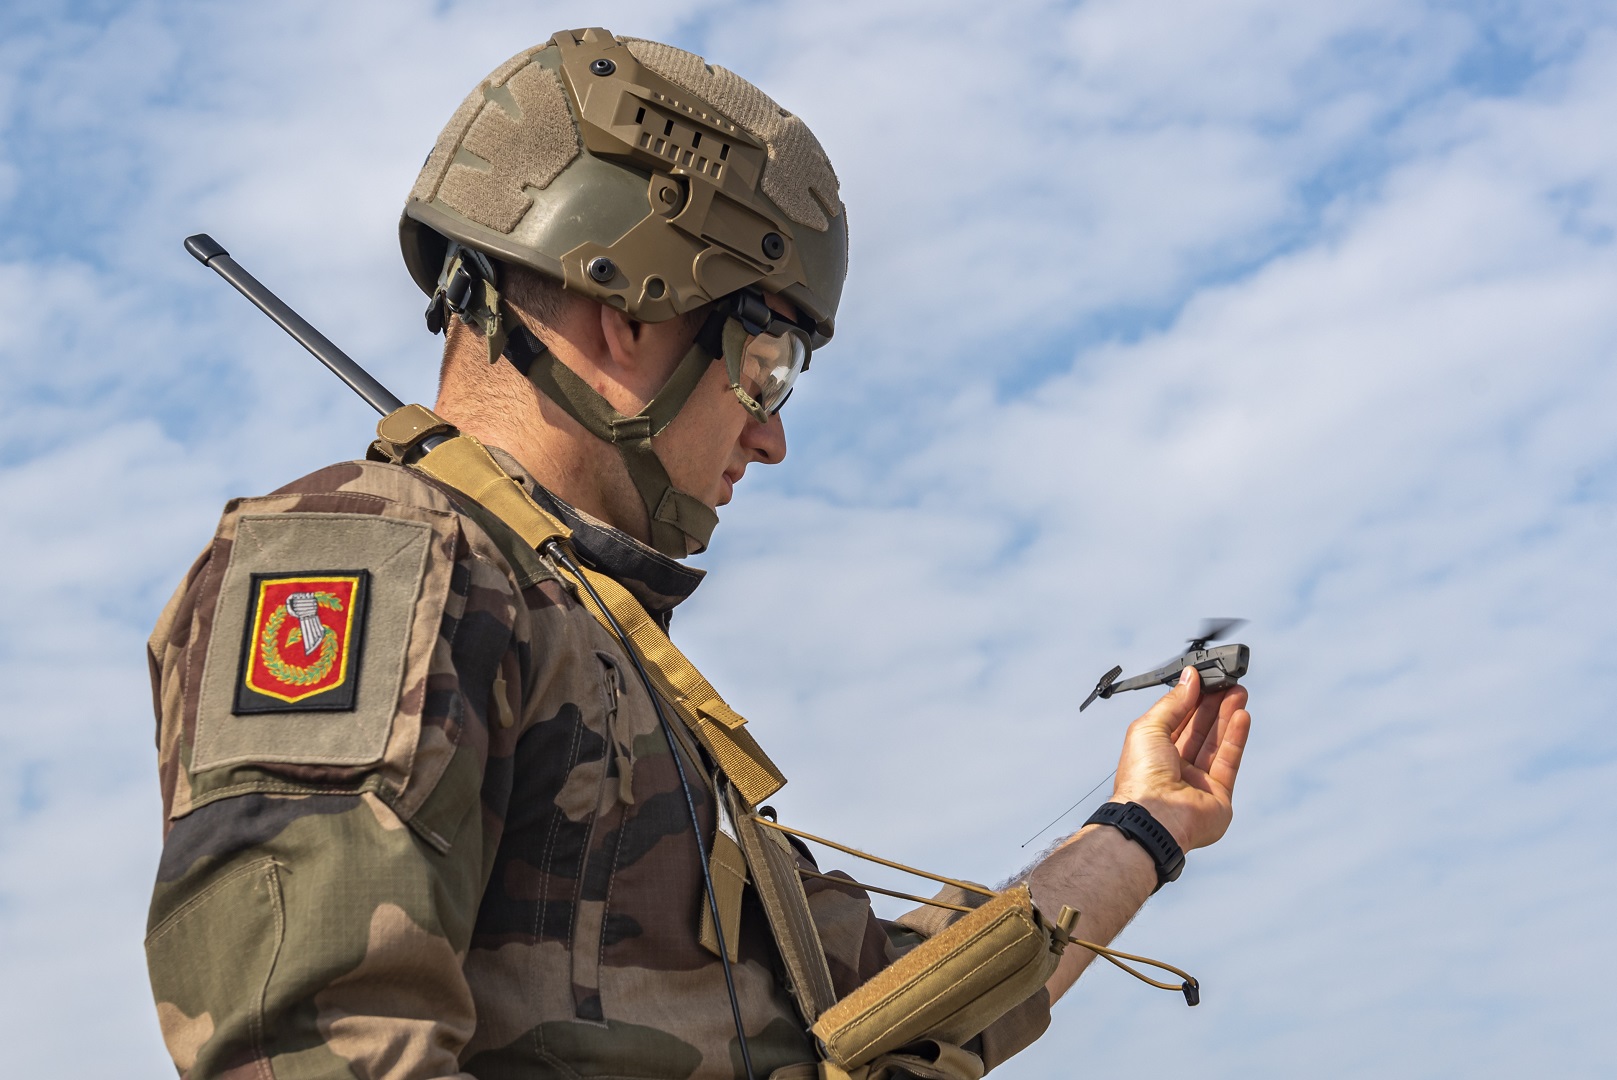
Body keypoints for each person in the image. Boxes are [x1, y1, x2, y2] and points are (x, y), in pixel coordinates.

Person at [145, 27, 1251, 1080]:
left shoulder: (592, 643)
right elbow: (314, 1049)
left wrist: (1144, 826)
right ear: (629, 309)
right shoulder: (375, 558)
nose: (769, 435)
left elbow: (895, 1008)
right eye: (765, 363)